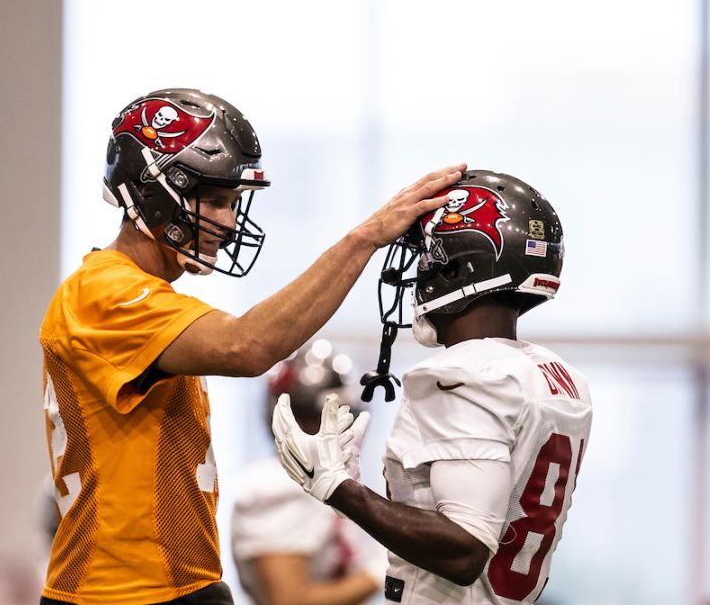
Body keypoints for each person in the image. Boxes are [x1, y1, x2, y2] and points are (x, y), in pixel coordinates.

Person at [38, 87, 464, 605]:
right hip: (123, 594)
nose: (227, 220)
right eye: (214, 199)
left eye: (233, 202)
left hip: (170, 586)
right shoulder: (103, 291)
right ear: (151, 190)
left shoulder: (138, 297)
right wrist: (366, 237)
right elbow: (249, 346)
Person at [271, 170, 592, 604]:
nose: (417, 273)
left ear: (456, 266)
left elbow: (464, 550)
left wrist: (338, 488)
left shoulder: (466, 373)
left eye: (425, 257)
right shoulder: (554, 375)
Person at [231, 340, 386, 605]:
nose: (328, 432)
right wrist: (379, 573)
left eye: (338, 417)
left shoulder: (328, 480)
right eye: (314, 418)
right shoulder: (275, 485)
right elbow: (288, 600)